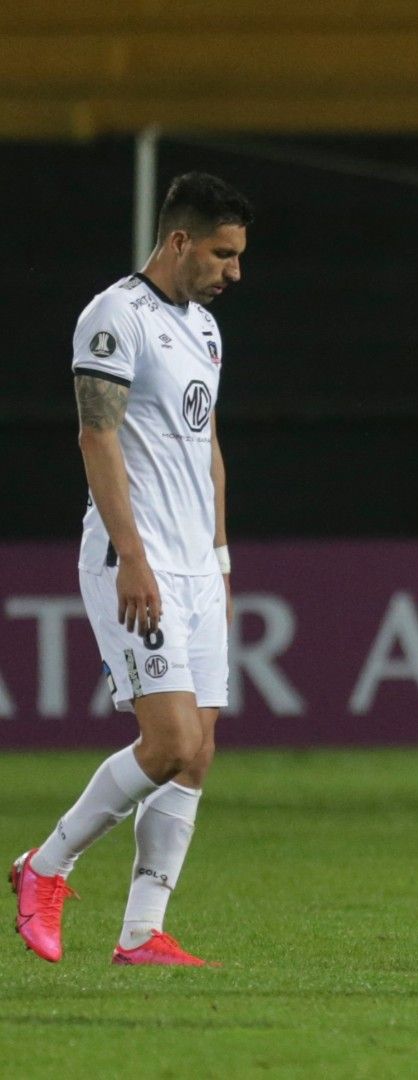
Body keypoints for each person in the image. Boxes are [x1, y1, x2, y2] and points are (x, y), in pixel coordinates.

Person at [11, 173, 251, 967]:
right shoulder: (115, 316)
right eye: (222, 253)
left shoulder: (206, 331)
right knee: (170, 739)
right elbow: (96, 438)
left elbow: (205, 445)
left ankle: (142, 932)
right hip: (134, 557)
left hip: (195, 565)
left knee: (201, 748)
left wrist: (217, 558)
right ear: (179, 240)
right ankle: (44, 868)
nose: (233, 271)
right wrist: (135, 560)